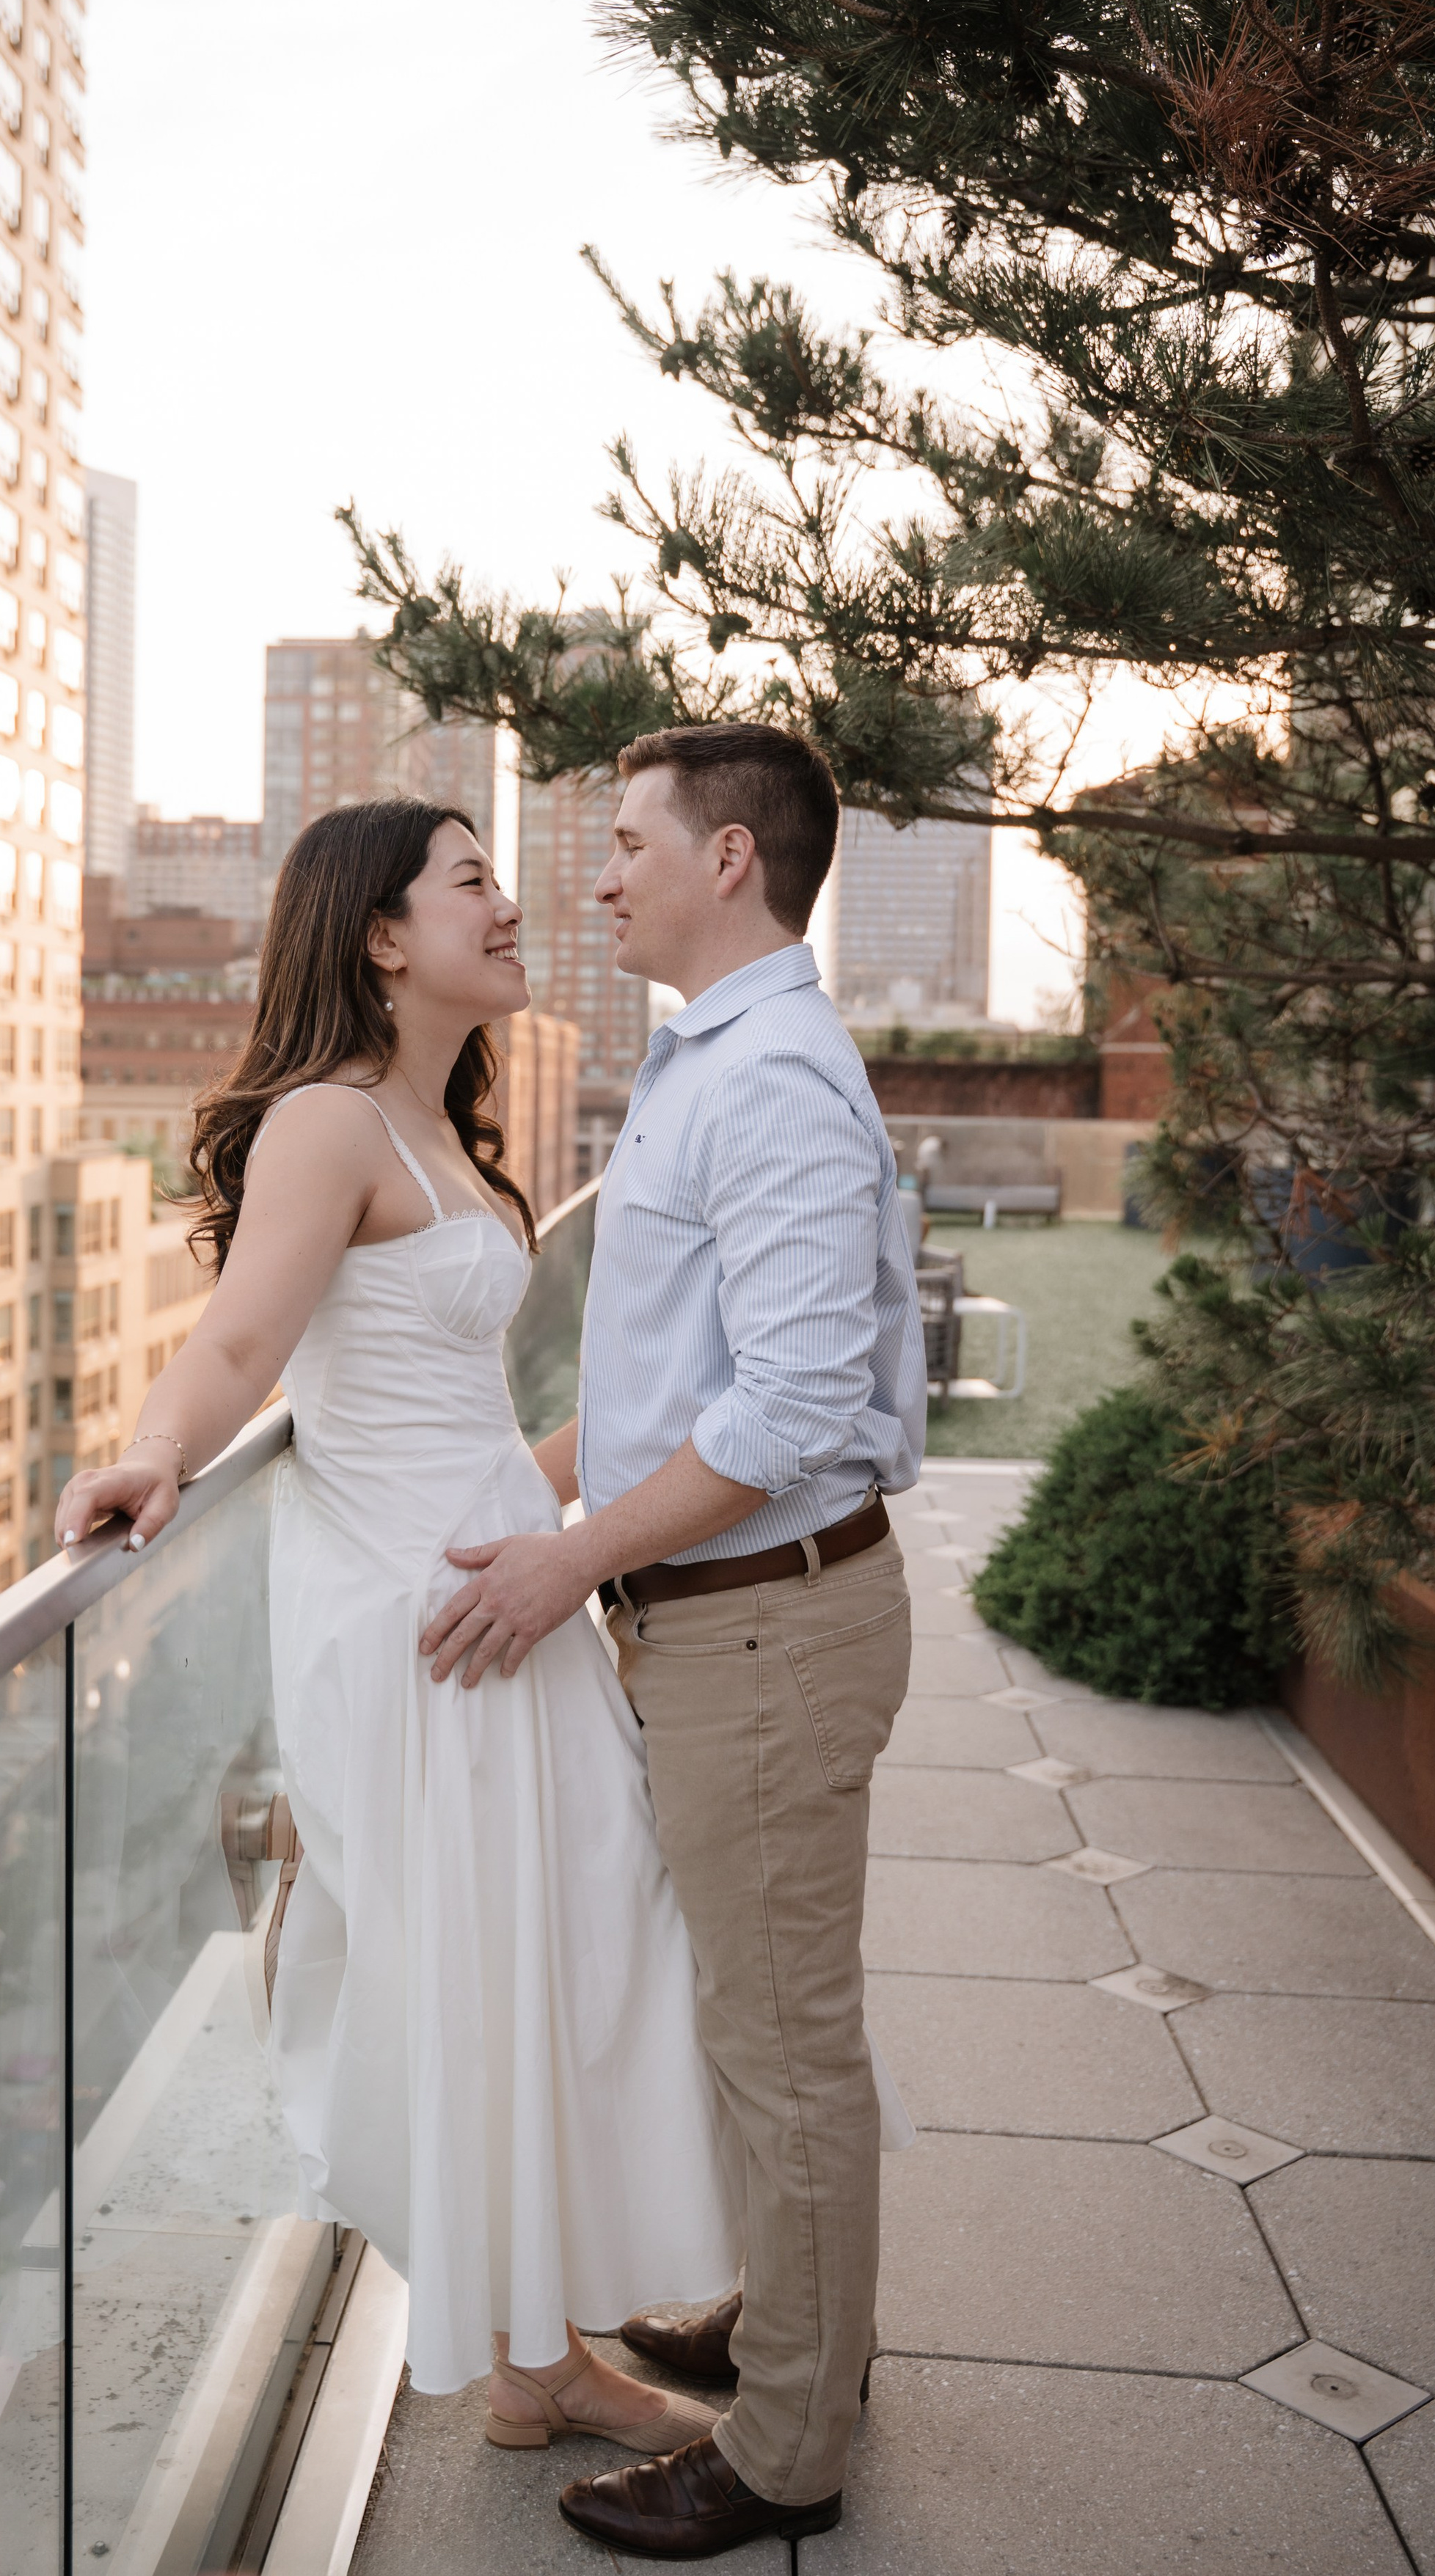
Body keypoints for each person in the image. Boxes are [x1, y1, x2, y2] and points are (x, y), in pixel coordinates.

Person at [54, 798, 742, 2454]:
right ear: (379, 932)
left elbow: (466, 1409)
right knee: (493, 1969)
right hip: (413, 1629)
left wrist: (614, 1490)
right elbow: (235, 1351)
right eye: (472, 881)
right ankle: (538, 2363)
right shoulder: (326, 1124)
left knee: (580, 1949)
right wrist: (151, 1452)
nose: (513, 905)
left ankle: (536, 2355)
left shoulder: (443, 1132)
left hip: (510, 1591)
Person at [416, 722, 927, 2557]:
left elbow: (791, 1410)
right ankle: (793, 2329)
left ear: (729, 860)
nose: (599, 872)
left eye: (627, 840)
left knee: (787, 2045)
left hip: (767, 1634)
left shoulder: (769, 1073)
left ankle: (786, 2444)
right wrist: (529, 1492)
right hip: (721, 1620)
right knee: (751, 2018)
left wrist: (560, 1567)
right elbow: (662, 1385)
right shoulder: (710, 1052)